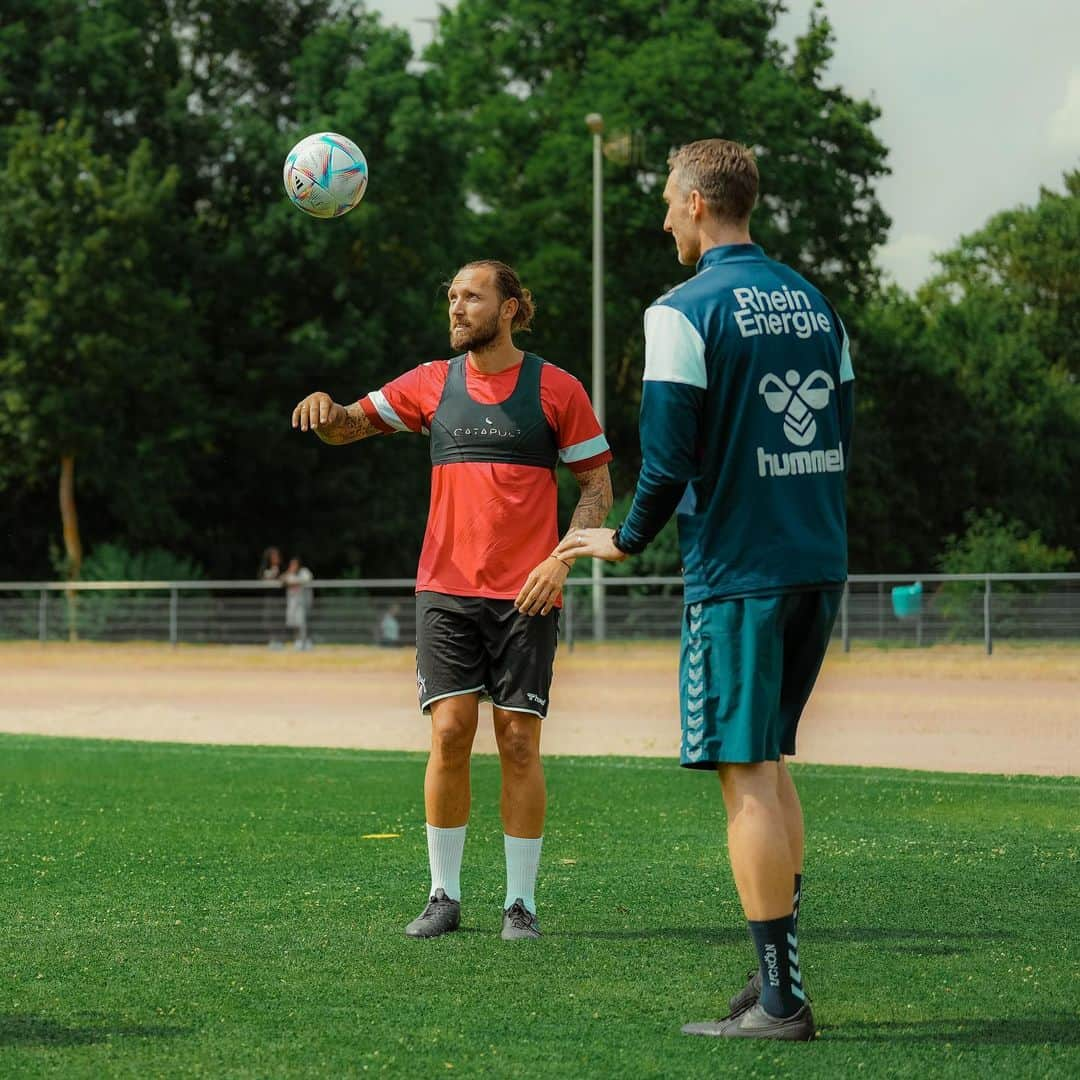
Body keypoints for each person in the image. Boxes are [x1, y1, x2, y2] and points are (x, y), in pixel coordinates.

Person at [556, 140, 854, 1040]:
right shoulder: (814, 301)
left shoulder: (681, 310)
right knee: (772, 764)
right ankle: (779, 980)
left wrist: (627, 539)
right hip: (817, 558)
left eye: (665, 204)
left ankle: (779, 1002)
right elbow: (842, 429)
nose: (660, 220)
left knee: (747, 778)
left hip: (739, 575)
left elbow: (669, 454)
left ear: (694, 203)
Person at [292, 260, 613, 941]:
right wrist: (327, 412)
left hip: (528, 593)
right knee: (449, 733)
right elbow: (351, 423)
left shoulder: (557, 389)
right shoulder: (432, 382)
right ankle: (443, 894)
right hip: (445, 589)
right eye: (453, 298)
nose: (458, 308)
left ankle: (519, 903)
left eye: (474, 297)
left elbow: (596, 488)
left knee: (520, 742)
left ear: (512, 308)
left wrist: (562, 563)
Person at [282, 555, 314, 650]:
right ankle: (298, 641)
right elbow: (282, 580)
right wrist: (289, 572)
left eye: (295, 564)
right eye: (291, 564)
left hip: (303, 603)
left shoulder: (304, 572)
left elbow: (306, 580)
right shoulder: (289, 574)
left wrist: (293, 582)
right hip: (292, 603)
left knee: (303, 623)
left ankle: (306, 641)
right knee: (293, 623)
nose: (293, 566)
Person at [258, 546, 284, 648]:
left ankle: (279, 641)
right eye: (273, 556)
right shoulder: (265, 569)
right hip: (269, 598)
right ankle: (272, 640)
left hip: (280, 598)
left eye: (277, 556)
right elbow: (261, 580)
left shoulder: (282, 568)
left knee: (279, 619)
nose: (276, 558)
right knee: (268, 619)